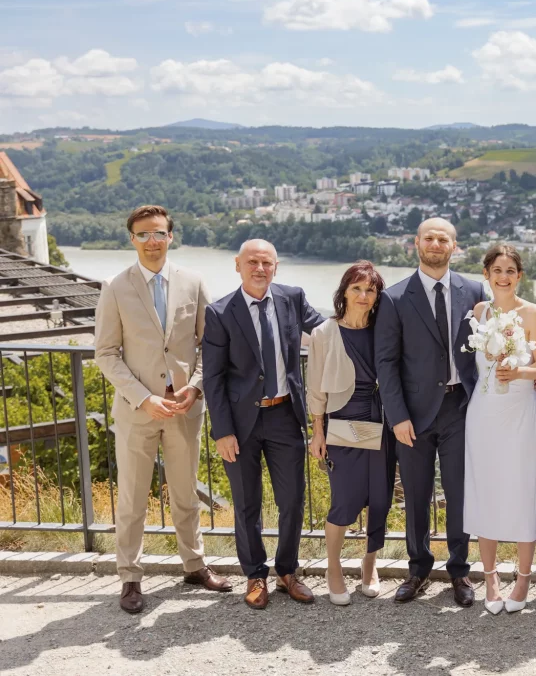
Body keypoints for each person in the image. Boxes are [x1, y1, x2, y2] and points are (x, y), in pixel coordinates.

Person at [95, 205, 231, 614]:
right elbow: (105, 353)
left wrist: (195, 387)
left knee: (186, 494)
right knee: (133, 499)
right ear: (131, 239)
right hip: (139, 412)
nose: (152, 241)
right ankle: (130, 578)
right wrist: (143, 397)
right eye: (143, 234)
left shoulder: (193, 281)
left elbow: (211, 345)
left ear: (171, 236)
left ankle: (194, 565)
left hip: (185, 408)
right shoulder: (115, 287)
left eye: (158, 233)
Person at [202, 239, 325, 610]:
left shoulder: (292, 297)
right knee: (246, 504)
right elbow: (214, 377)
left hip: (285, 416)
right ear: (238, 265)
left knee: (292, 501)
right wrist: (222, 430)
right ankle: (255, 574)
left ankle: (288, 572)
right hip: (240, 425)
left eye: (267, 263)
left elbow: (327, 333)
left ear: (276, 267)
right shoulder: (220, 312)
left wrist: (368, 314)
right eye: (252, 262)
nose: (260, 269)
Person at [375, 217, 487, 608]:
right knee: (417, 495)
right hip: (413, 414)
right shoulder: (394, 297)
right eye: (429, 238)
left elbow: (488, 348)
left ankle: (460, 570)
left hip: (461, 407)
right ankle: (418, 568)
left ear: (454, 246)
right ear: (416, 243)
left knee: (459, 494)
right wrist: (398, 416)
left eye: (443, 239)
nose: (436, 244)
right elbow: (386, 363)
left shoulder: (474, 290)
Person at [463, 244, 536, 615]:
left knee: (521, 489)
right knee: (485, 491)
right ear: (486, 274)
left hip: (519, 411)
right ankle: (490, 577)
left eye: (510, 270)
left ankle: (524, 577)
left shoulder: (534, 313)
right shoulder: (480, 311)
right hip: (483, 412)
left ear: (520, 276)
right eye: (496, 270)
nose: (503, 276)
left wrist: (520, 372)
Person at [307, 261, 397, 606]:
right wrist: (317, 433)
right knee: (345, 499)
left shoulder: (384, 329)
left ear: (377, 296)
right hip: (345, 421)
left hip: (383, 420)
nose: (363, 295)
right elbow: (315, 388)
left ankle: (369, 566)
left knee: (380, 498)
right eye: (356, 288)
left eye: (370, 289)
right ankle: (333, 569)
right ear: (344, 291)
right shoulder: (324, 333)